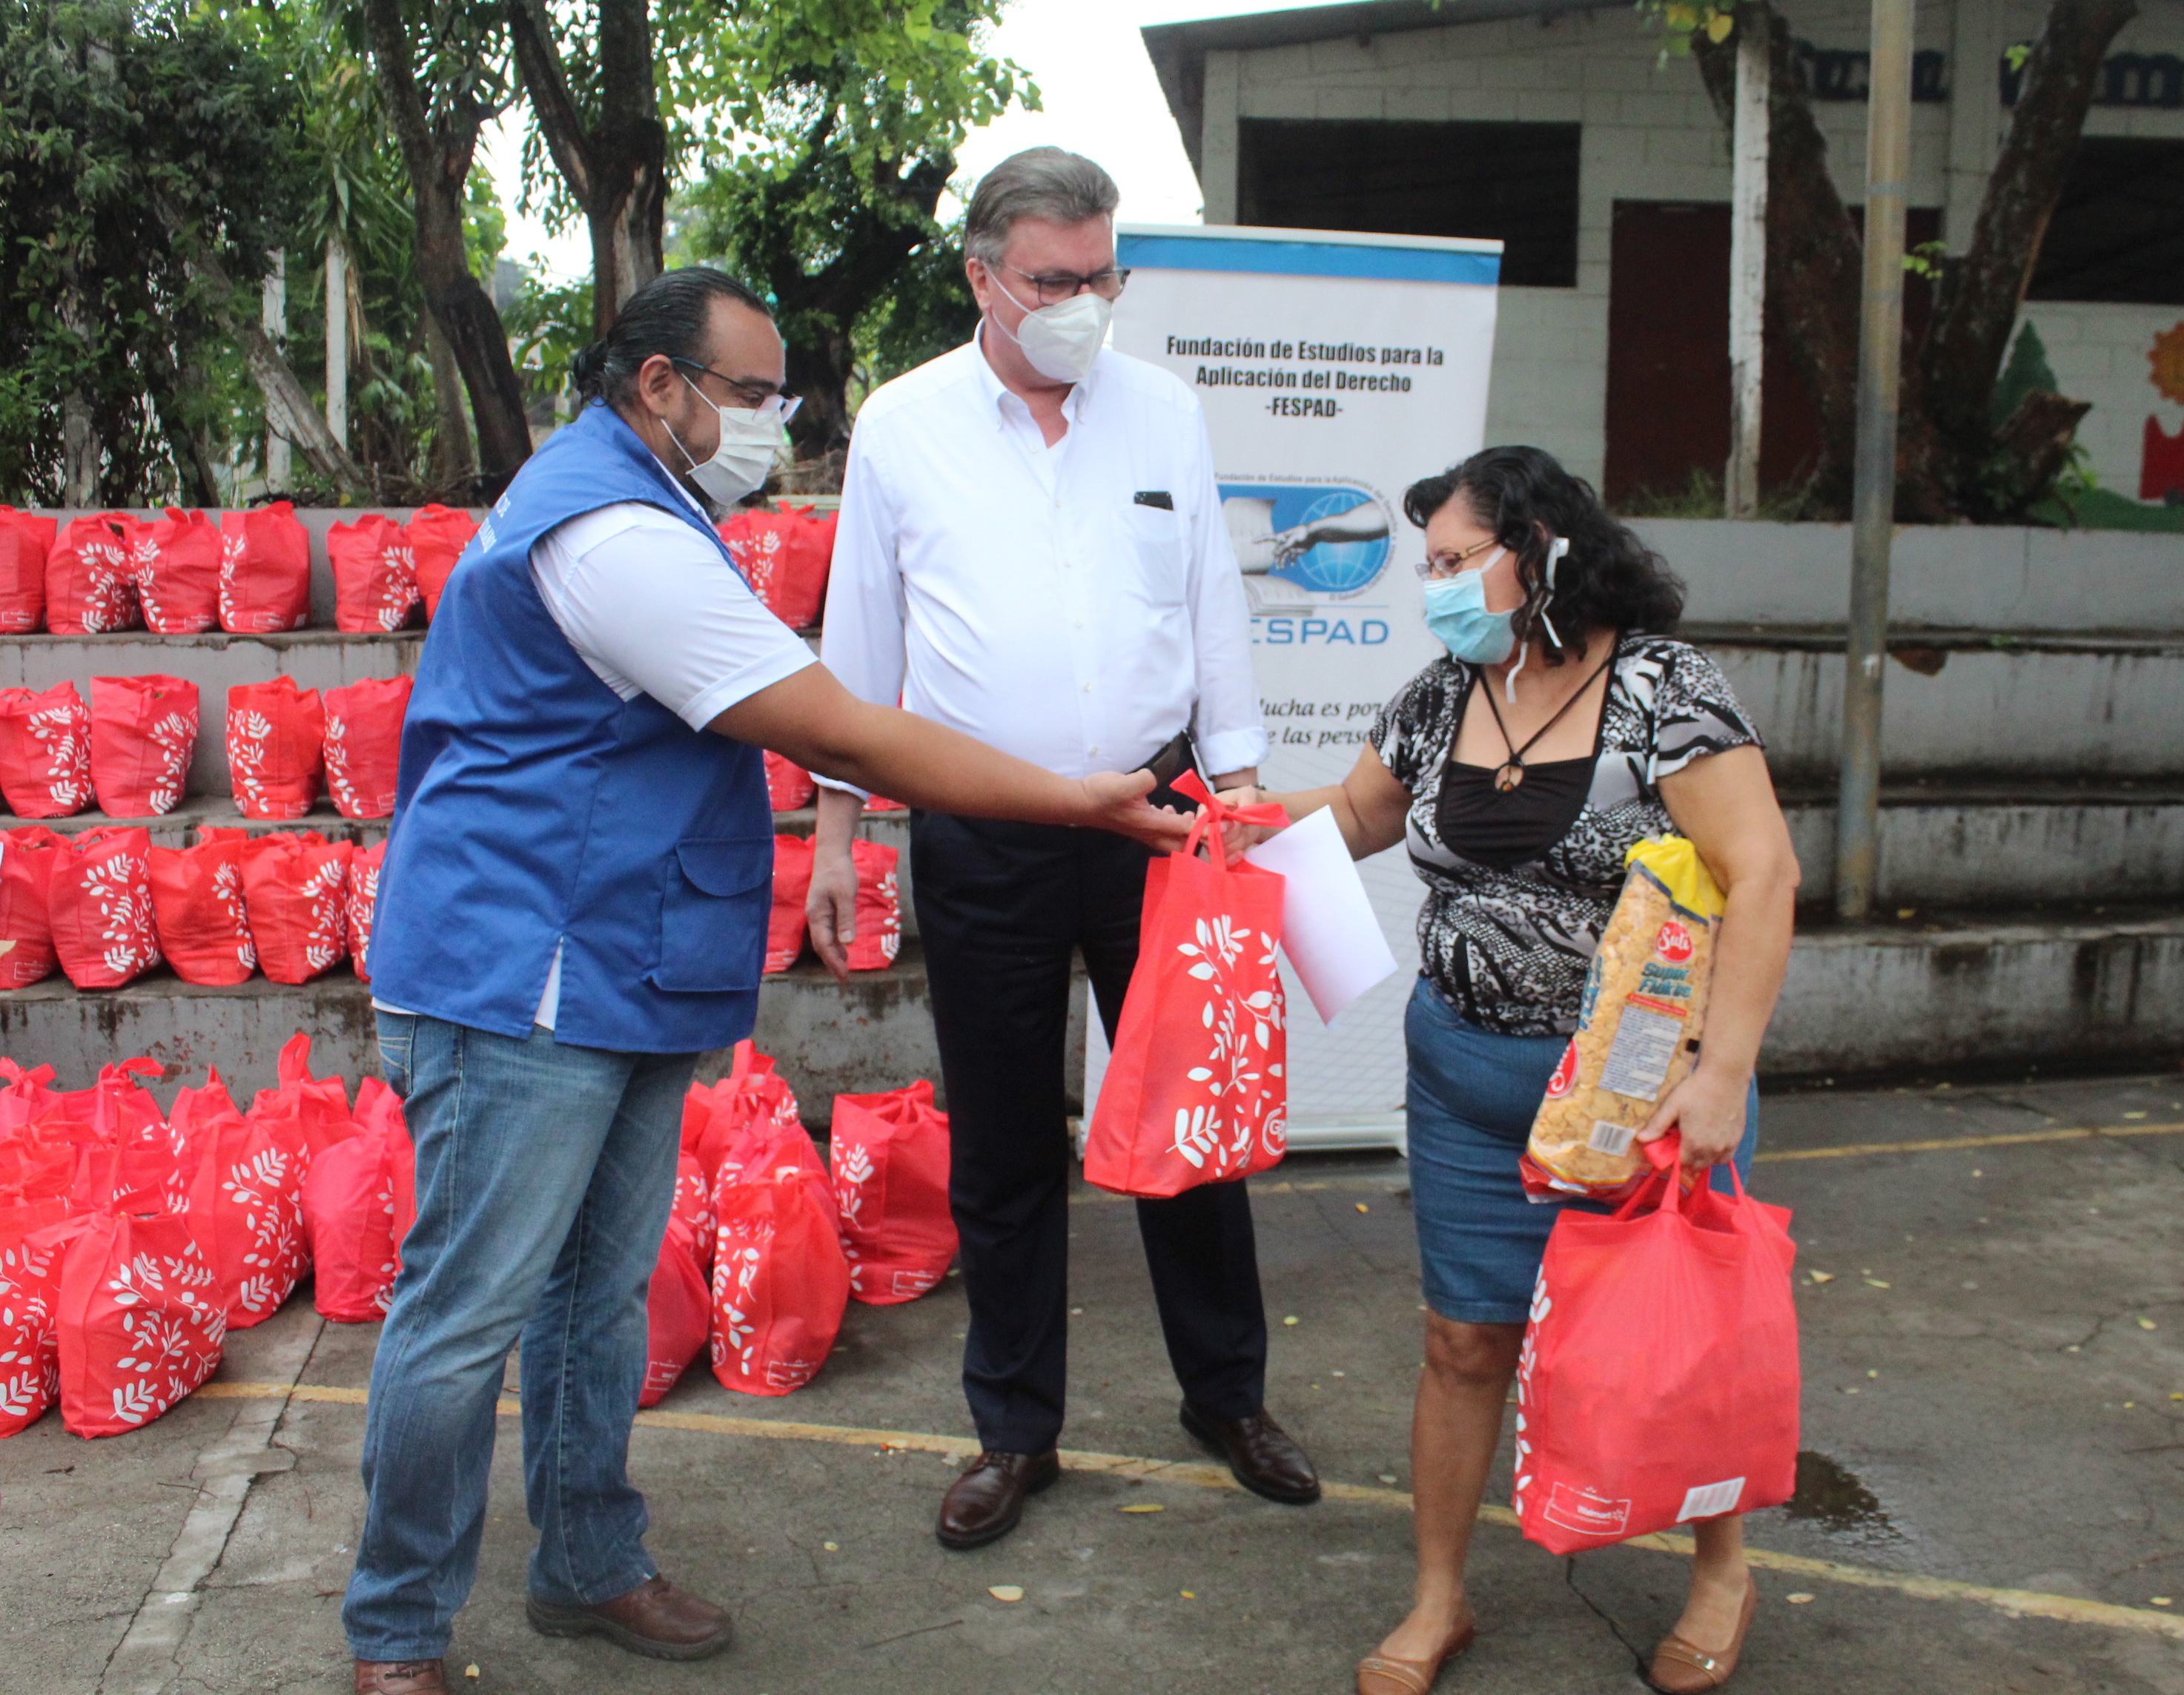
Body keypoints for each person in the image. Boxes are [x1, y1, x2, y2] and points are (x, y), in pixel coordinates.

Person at [346, 266, 1188, 1695]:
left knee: (597, 1297)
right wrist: (1072, 799)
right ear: (656, 385)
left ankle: (588, 1561)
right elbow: (837, 731)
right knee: (468, 1315)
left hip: (612, 956)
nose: (773, 428)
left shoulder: (641, 500)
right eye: (750, 395)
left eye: (782, 400)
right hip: (526, 969)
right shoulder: (615, 536)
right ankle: (397, 1633)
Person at [1224, 446, 1799, 1695]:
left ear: (1536, 549)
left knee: (1674, 1343)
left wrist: (1723, 1075)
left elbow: (1763, 872)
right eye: (1425, 564)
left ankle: (1721, 1571)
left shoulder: (1661, 688)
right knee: (1461, 1340)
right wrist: (1232, 823)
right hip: (1464, 1084)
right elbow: (1362, 815)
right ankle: (1440, 1598)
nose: (1432, 585)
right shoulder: (1442, 695)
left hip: (1640, 1090)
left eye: (1451, 560)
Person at [813, 147, 1320, 1552]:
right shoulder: (904, 424)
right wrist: (838, 834)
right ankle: (1013, 1429)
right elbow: (860, 640)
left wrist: (1238, 788)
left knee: (1189, 1122)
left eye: (1105, 275)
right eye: (1054, 280)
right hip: (985, 822)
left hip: (1160, 820)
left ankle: (1226, 1397)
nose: (1084, 303)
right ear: (981, 275)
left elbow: (1210, 603)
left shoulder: (1161, 410)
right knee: (1004, 1139)